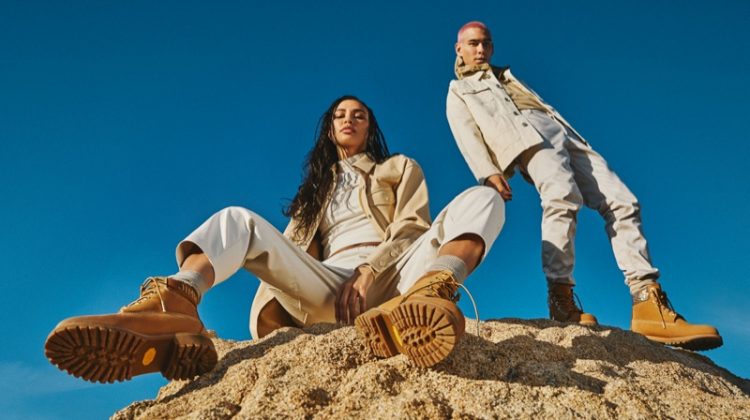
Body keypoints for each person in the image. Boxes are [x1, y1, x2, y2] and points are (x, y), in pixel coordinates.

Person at [44, 95, 505, 383]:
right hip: (327, 289)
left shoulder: (398, 167)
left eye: (360, 115)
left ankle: (436, 290)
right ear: (330, 127)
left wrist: (370, 271)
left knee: (483, 199)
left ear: (370, 128)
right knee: (237, 218)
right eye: (341, 115)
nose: (350, 120)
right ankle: (178, 302)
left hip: (397, 280)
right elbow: (284, 258)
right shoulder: (313, 195)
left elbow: (411, 226)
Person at [445, 21, 721, 351]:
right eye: (474, 44)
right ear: (459, 48)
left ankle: (647, 302)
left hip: (563, 133)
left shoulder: (507, 75)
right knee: (562, 197)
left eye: (486, 44)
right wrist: (488, 171)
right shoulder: (459, 90)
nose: (481, 50)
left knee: (623, 200)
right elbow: (465, 132)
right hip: (524, 138)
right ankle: (560, 297)